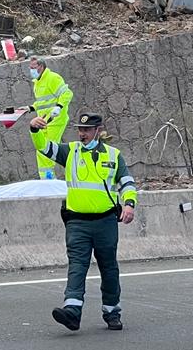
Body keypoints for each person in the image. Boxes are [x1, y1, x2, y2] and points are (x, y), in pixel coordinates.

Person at [30, 112, 137, 331]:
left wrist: (129, 204)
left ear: (98, 131)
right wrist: (34, 130)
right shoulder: (71, 151)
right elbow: (45, 147)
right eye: (80, 129)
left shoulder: (114, 155)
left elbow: (127, 182)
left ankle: (112, 312)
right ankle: (72, 311)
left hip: (105, 222)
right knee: (77, 266)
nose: (82, 133)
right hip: (77, 222)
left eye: (86, 130)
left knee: (109, 268)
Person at [28, 57, 74, 179]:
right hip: (44, 121)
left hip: (55, 120)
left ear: (41, 67)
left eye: (33, 67)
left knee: (46, 150)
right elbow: (42, 102)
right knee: (41, 150)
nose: (31, 70)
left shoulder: (52, 78)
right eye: (30, 67)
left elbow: (67, 93)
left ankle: (48, 180)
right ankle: (47, 180)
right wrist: (30, 108)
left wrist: (59, 106)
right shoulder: (37, 82)